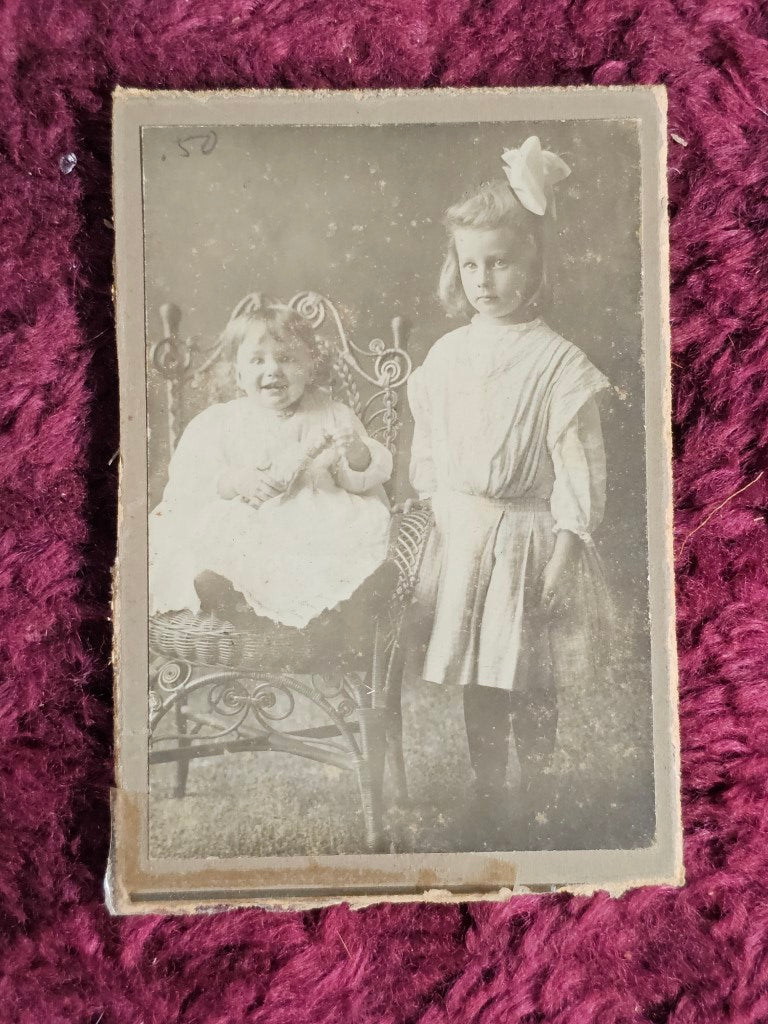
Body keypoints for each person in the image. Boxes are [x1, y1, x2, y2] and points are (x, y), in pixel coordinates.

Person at [407, 137, 613, 841]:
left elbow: (579, 465)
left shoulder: (559, 363)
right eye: (471, 264)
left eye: (500, 262)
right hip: (467, 537)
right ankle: (488, 792)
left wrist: (566, 546)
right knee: (479, 671)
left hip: (529, 536)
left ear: (535, 265)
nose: (484, 279)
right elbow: (428, 446)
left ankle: (544, 790)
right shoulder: (447, 355)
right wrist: (443, 514)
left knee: (530, 672)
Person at [149, 293, 393, 630]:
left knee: (337, 541)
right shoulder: (221, 421)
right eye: (257, 361)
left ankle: (325, 605)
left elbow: (359, 481)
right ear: (237, 374)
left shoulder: (332, 414)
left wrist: (356, 453)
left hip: (315, 518)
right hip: (251, 519)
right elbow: (193, 478)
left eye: (286, 358)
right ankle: (235, 596)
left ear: (310, 366)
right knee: (227, 529)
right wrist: (235, 480)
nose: (273, 370)